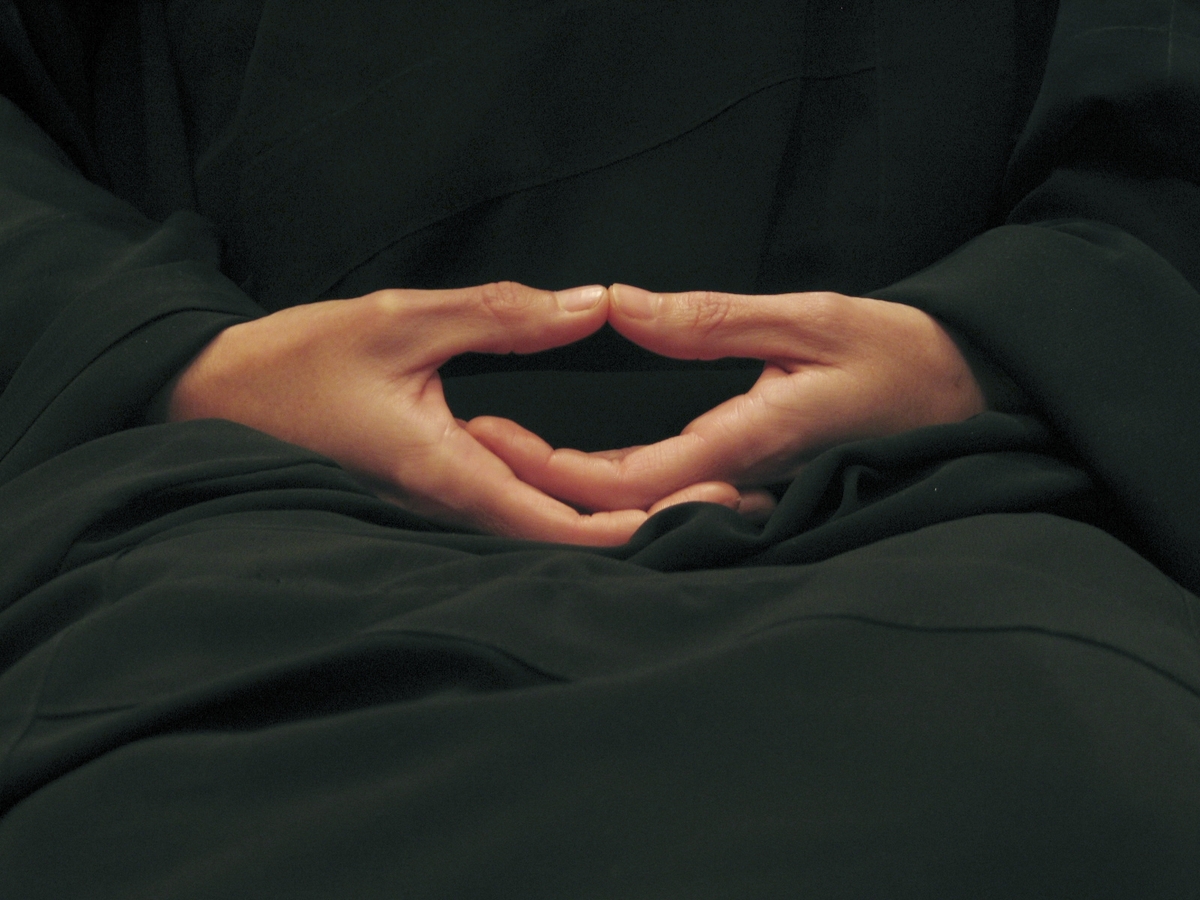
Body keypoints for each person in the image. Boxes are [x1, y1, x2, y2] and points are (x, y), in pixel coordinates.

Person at [1, 0, 1198, 895]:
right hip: (214, 508)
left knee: (1075, 803)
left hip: (954, 497)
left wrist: (984, 350)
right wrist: (189, 367)